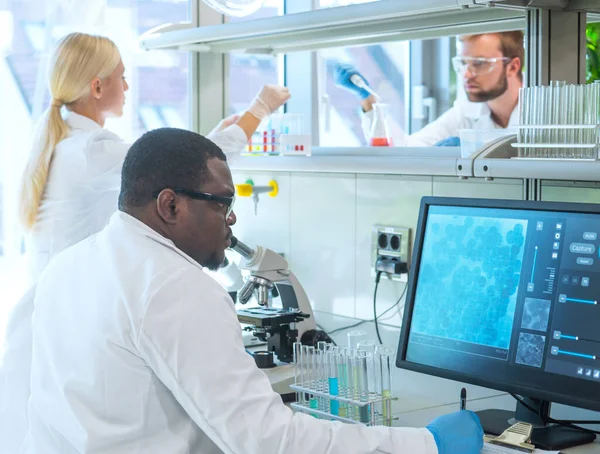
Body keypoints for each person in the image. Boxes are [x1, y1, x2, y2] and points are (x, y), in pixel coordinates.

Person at [23, 127, 483, 454]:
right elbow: (269, 441)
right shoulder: (173, 285)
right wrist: (426, 444)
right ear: (170, 205)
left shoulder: (70, 263)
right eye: (223, 203)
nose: (232, 219)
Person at [0, 32, 290, 454]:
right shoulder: (93, 151)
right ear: (97, 87)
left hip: (53, 323)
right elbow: (188, 172)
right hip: (66, 329)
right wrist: (259, 109)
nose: (128, 87)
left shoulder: (62, 144)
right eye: (122, 76)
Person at [335, 31, 524, 147]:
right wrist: (369, 100)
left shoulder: (541, 113)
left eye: (480, 64)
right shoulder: (467, 113)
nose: (466, 74)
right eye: (463, 63)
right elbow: (408, 151)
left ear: (513, 67)